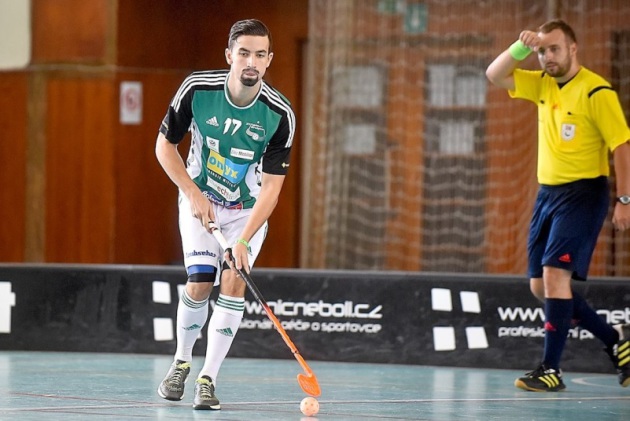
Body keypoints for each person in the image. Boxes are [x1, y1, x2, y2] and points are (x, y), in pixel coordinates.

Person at [155, 19, 295, 409]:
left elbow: (271, 189)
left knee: (233, 282)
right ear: (229, 55)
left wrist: (245, 240)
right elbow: (164, 147)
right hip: (200, 200)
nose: (252, 61)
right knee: (200, 282)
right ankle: (182, 361)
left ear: (269, 61)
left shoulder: (279, 114)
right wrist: (193, 193)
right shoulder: (198, 89)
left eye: (260, 55)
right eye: (245, 53)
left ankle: (207, 379)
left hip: (246, 213)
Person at [486, 19, 630, 392]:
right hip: (547, 195)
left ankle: (551, 369)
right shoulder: (542, 85)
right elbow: (495, 74)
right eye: (542, 51)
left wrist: (625, 200)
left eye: (554, 48)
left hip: (584, 194)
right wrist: (520, 47)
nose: (548, 56)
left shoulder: (597, 91)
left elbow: (622, 147)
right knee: (540, 287)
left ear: (572, 48)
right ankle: (616, 341)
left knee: (554, 278)